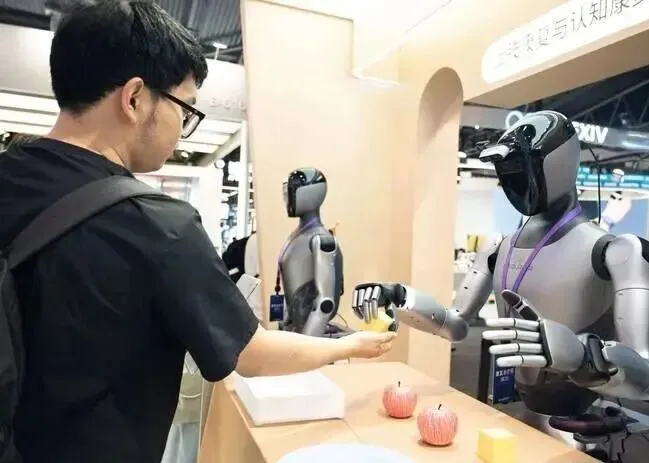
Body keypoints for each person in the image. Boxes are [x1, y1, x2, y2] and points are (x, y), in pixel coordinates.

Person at [0, 3, 395, 463]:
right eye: (185, 109)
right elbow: (252, 354)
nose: (181, 129)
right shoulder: (156, 224)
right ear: (134, 98)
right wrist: (348, 345)